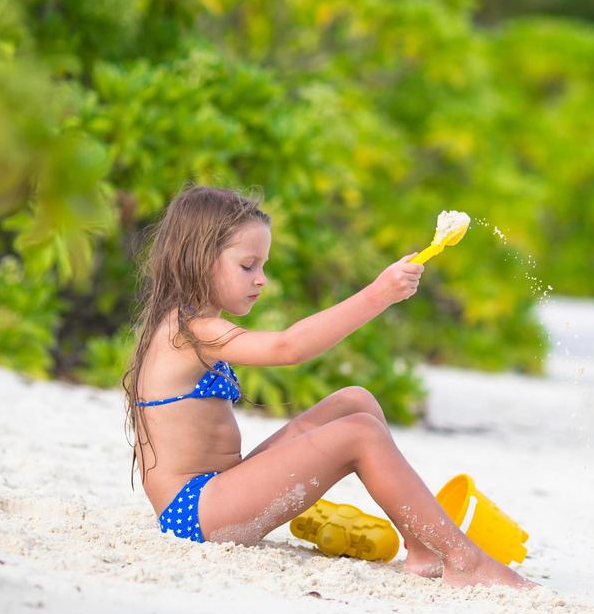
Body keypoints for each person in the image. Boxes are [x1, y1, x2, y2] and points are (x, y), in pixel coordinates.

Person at [122, 185, 533, 589]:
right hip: (197, 513)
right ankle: (464, 560)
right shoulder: (189, 331)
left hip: (221, 489)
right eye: (248, 266)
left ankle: (422, 546)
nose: (261, 279)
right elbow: (288, 347)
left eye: (262, 266)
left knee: (354, 401)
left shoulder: (193, 325)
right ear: (199, 260)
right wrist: (379, 294)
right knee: (359, 434)